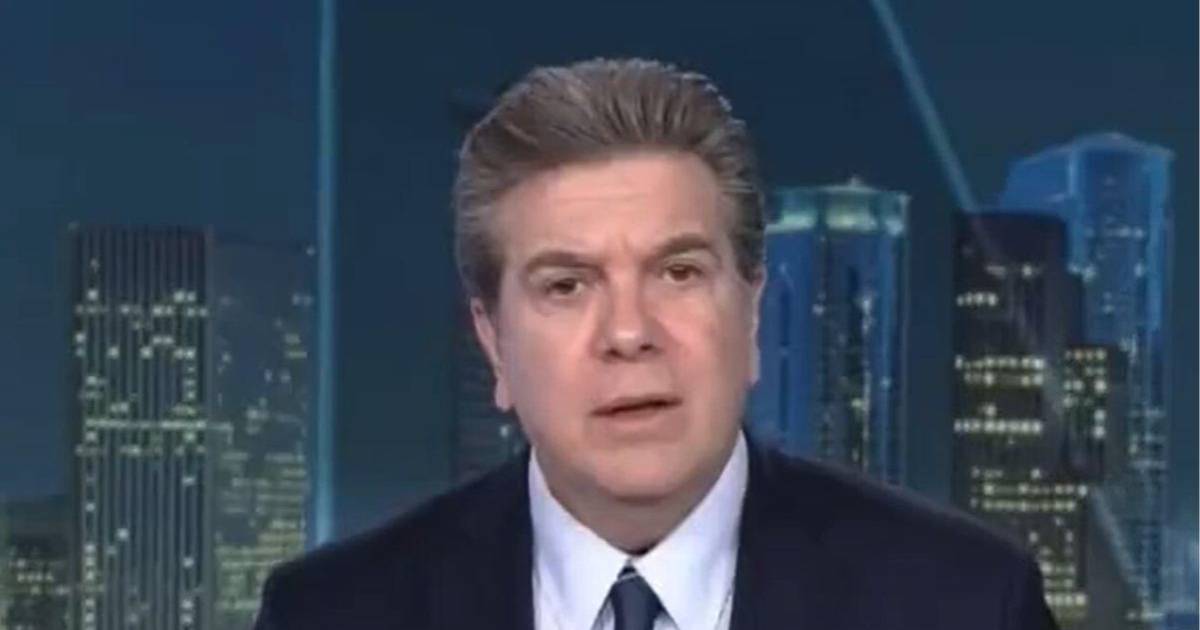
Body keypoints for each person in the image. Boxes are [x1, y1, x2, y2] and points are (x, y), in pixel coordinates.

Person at [254, 58, 1058, 630]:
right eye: (567, 286)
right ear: (493, 343)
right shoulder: (331, 614)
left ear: (751, 313)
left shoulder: (967, 603)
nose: (629, 333)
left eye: (678, 272)